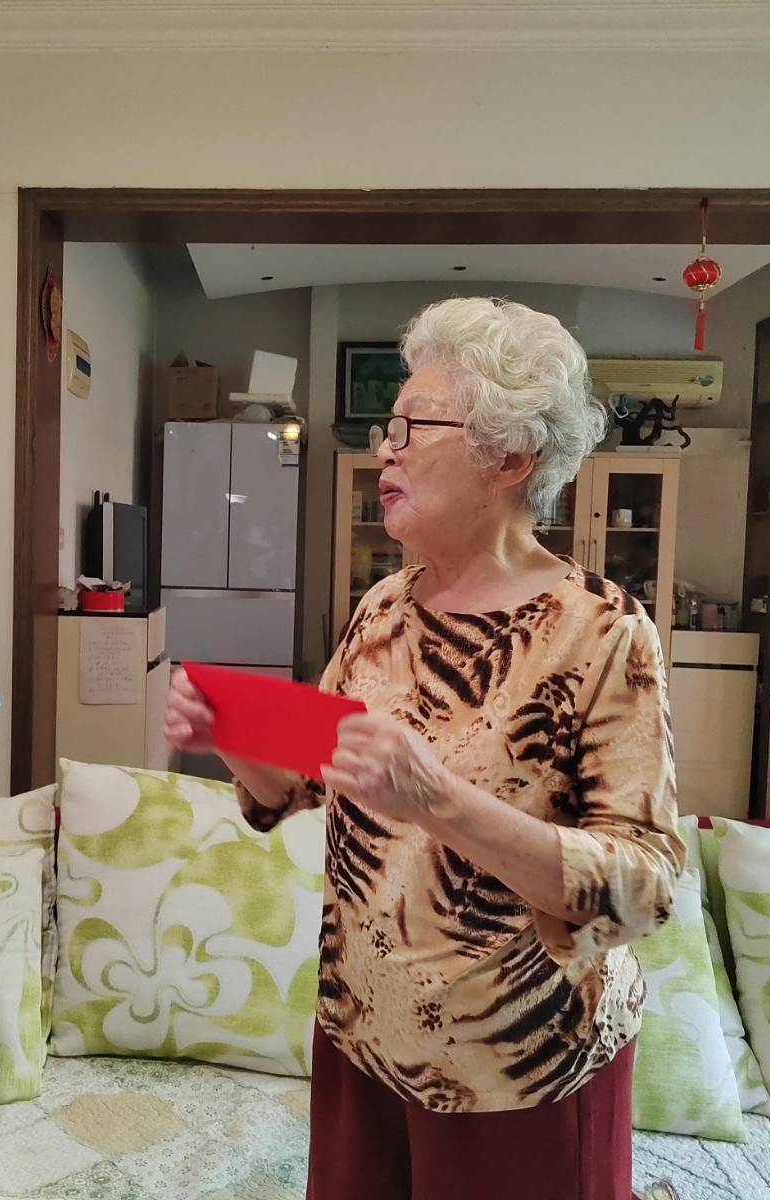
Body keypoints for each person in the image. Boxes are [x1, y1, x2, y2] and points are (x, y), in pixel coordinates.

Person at [166, 297, 683, 1200]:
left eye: (413, 426)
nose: (385, 449)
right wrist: (232, 735)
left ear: (511, 458)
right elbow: (298, 784)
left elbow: (643, 887)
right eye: (387, 427)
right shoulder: (383, 608)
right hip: (361, 1036)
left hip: (520, 1066)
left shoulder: (603, 630)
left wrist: (438, 799)